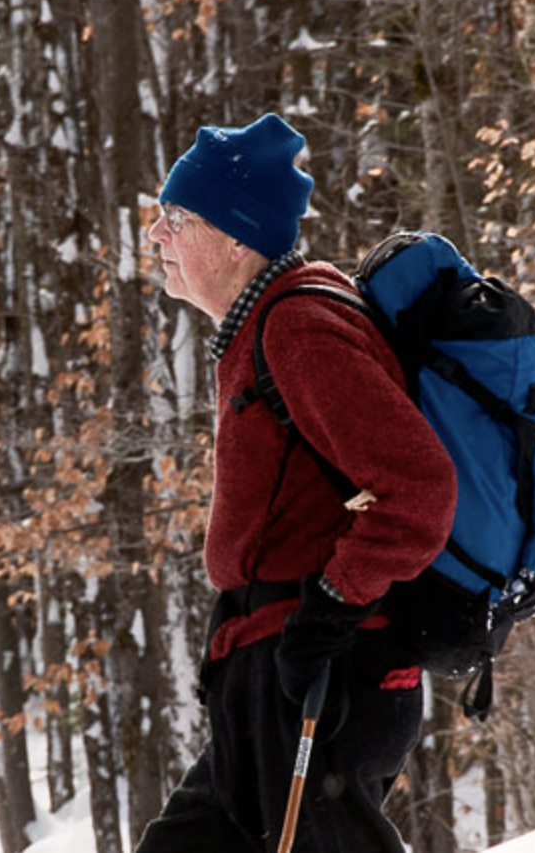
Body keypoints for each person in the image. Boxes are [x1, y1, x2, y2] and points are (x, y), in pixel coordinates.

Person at [136, 113, 458, 853]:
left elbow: (419, 489)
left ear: (238, 236)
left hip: (324, 678)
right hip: (269, 679)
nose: (157, 234)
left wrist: (330, 609)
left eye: (175, 217)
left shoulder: (300, 327)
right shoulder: (263, 328)